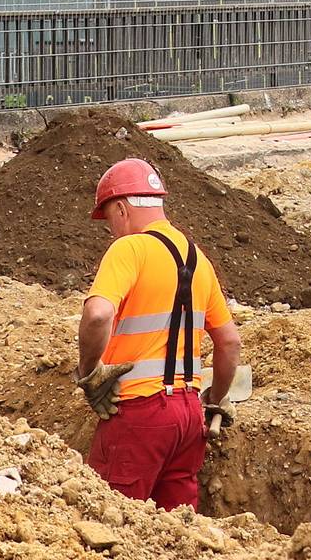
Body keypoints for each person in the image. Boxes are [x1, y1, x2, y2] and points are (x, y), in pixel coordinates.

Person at [74, 157, 240, 510]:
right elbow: (229, 343)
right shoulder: (198, 259)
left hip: (138, 415)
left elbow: (98, 313)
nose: (111, 230)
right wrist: (215, 400)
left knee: (112, 521)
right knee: (178, 532)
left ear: (121, 209)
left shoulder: (129, 249)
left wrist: (89, 372)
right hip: (189, 417)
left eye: (109, 221)